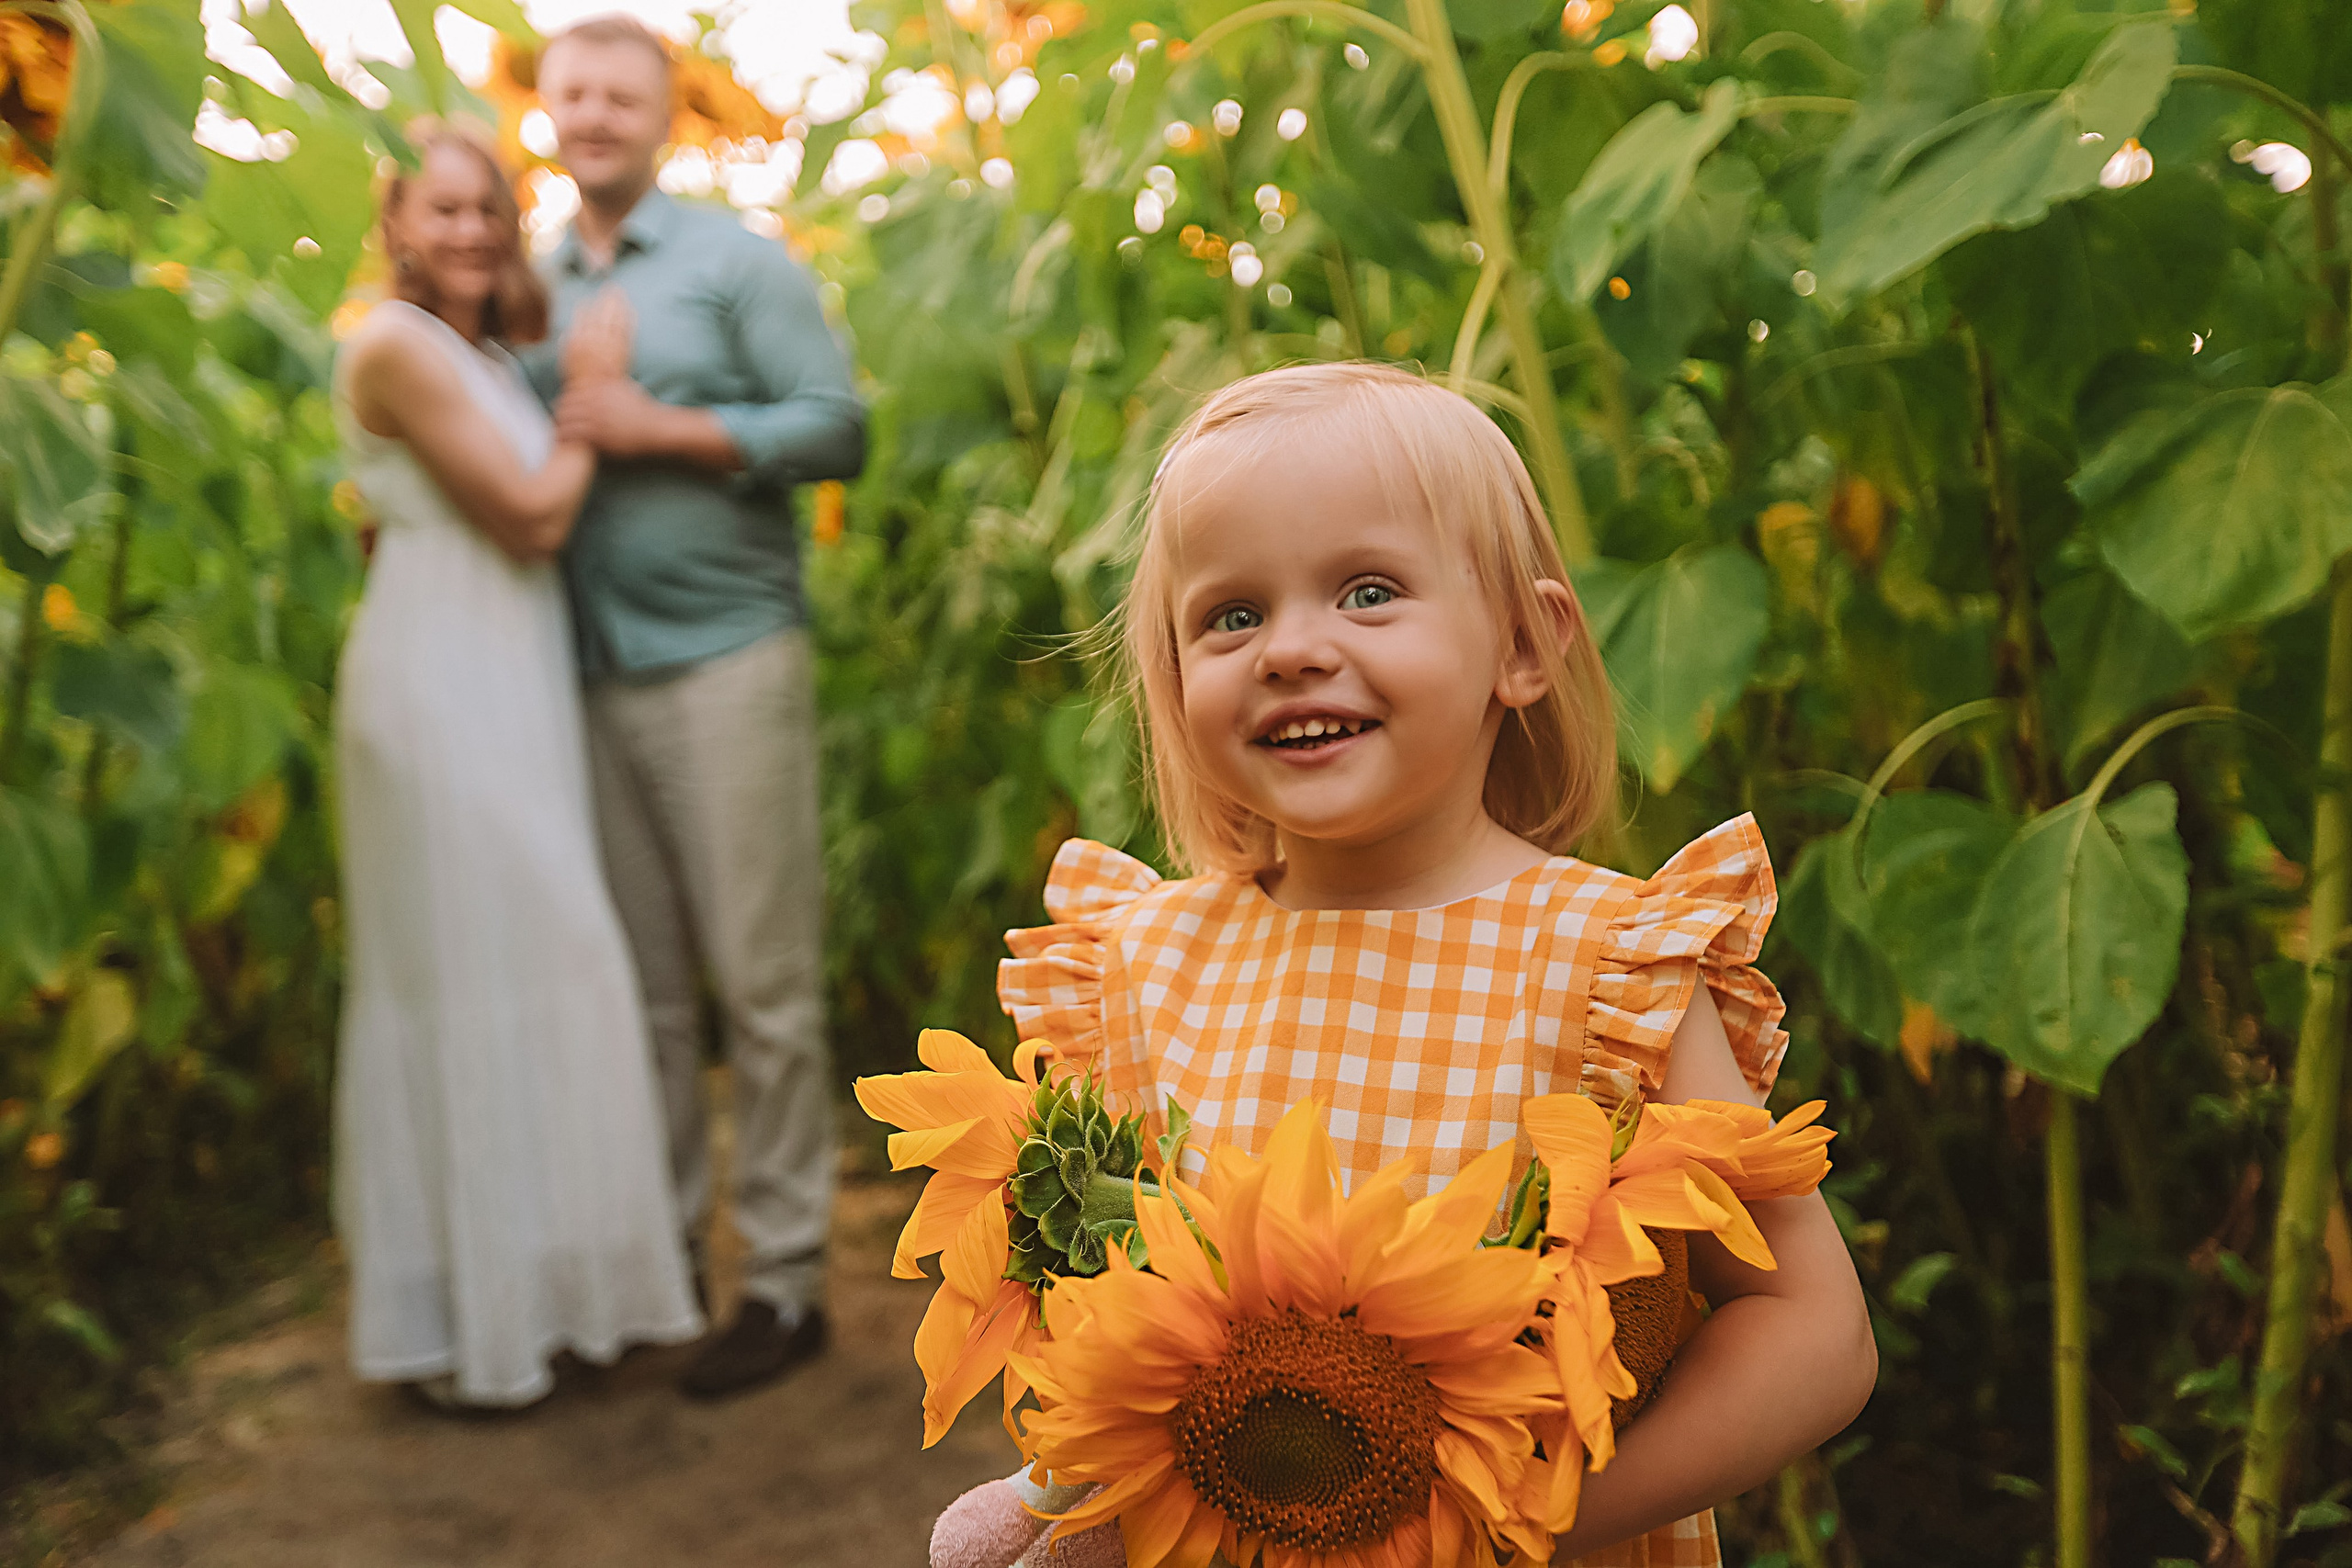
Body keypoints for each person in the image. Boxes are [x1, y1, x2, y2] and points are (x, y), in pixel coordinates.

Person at [935, 363, 1876, 1565]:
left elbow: (1810, 1328)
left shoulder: (1601, 965)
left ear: (1524, 645)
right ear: (1172, 683)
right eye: (1231, 615)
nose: (1289, 650)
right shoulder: (1140, 964)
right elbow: (1115, 1321)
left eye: (1368, 592)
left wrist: (1508, 1520)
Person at [520, 15, 867, 1400]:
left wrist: (655, 426)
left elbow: (837, 424)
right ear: (546, 111)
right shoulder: (529, 282)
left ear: (666, 116)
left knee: (763, 987)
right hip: (588, 674)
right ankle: (661, 1267)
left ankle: (784, 1285)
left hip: (730, 659)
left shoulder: (736, 264)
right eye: (573, 94)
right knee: (648, 1000)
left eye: (621, 94)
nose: (595, 114)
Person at [332, 124, 702, 1412]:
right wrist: (592, 401)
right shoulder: (392, 345)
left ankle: (545, 1304)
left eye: (490, 206)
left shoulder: (477, 351)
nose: (474, 229)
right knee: (481, 965)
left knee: (529, 960)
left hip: (503, 679)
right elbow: (535, 515)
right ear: (397, 222)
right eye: (444, 208)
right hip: (441, 689)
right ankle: (468, 1330)